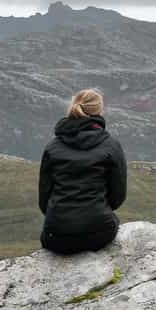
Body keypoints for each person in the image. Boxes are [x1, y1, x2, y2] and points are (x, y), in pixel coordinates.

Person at [38, 88, 127, 254]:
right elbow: (118, 196)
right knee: (112, 222)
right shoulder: (111, 146)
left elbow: (44, 199)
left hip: (56, 236)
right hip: (99, 233)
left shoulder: (52, 147)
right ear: (99, 111)